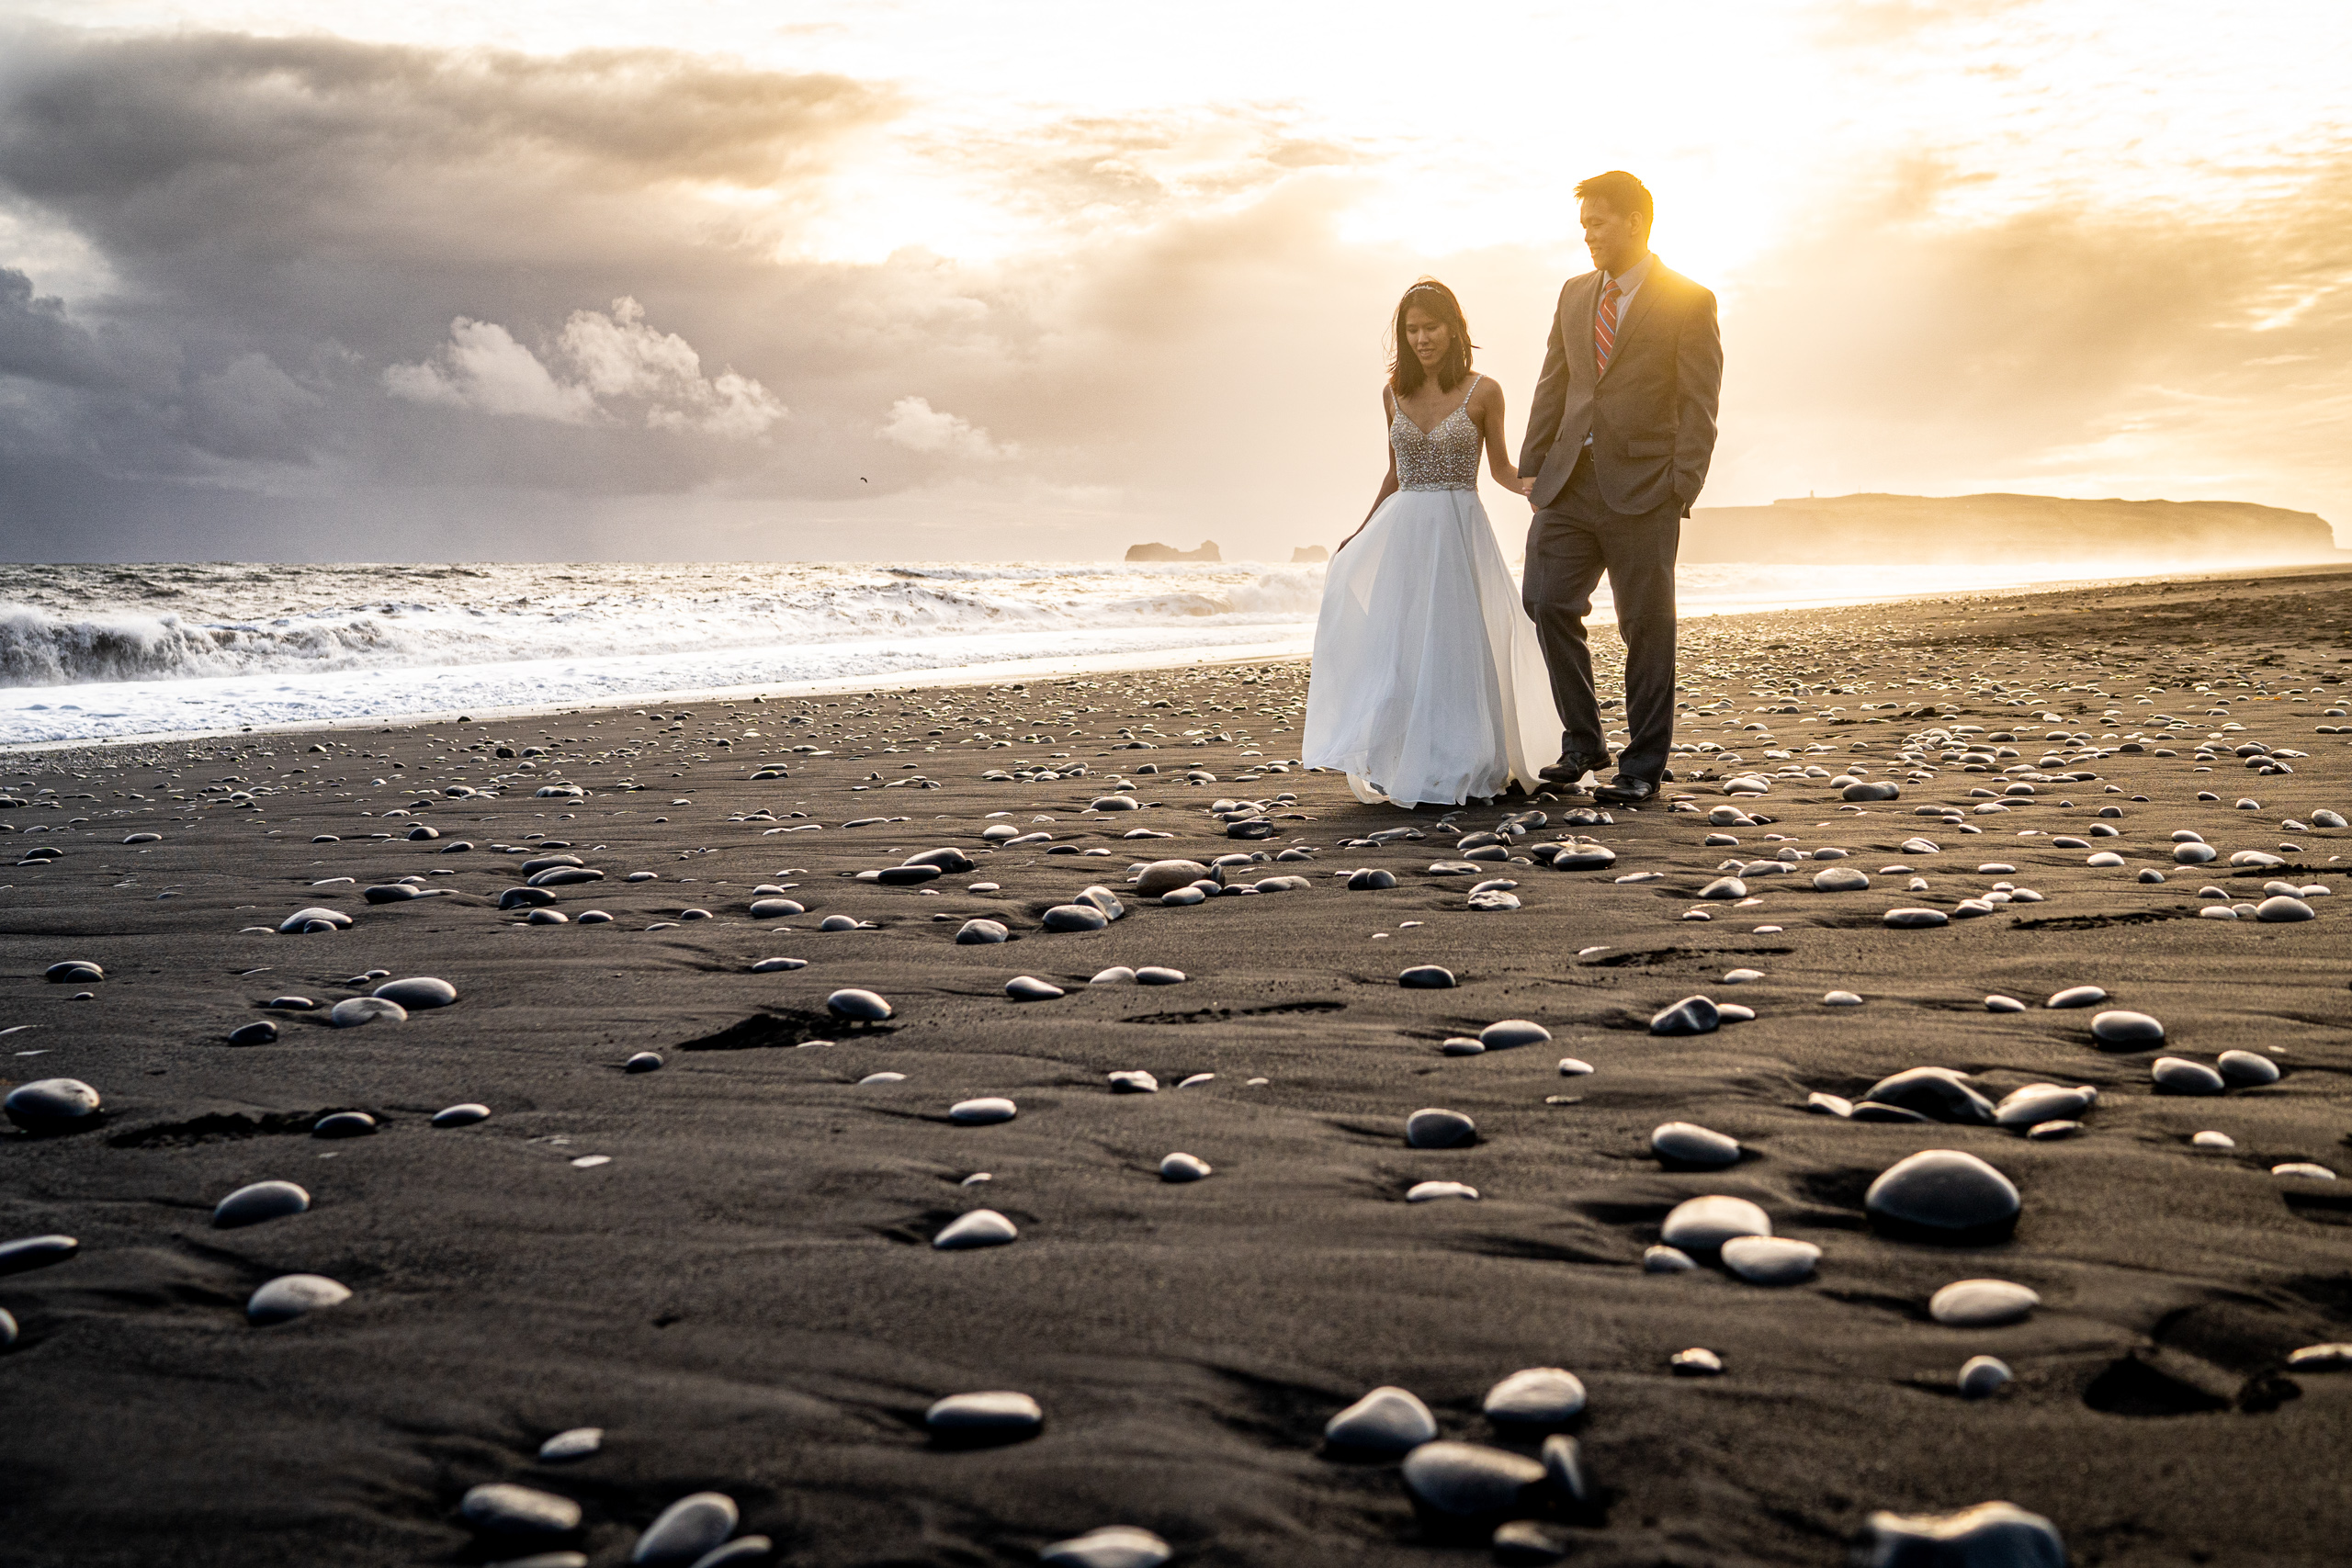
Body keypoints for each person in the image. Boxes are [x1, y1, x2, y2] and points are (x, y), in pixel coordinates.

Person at [1301, 279, 1561, 807]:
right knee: (1402, 647)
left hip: (1460, 528)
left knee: (1459, 644)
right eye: (1412, 330)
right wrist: (1360, 531)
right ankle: (1401, 757)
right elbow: (1395, 474)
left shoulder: (1484, 391)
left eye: (1431, 327)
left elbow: (1501, 470)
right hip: (1405, 532)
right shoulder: (1391, 393)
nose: (1422, 338)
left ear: (1454, 329)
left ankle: (1465, 758)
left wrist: (1543, 487)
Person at [1517, 170, 1723, 806]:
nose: (1588, 237)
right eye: (1583, 226)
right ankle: (1583, 741)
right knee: (1545, 601)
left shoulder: (1690, 300)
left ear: (1635, 221)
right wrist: (1532, 462)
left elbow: (1699, 402)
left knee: (1646, 627)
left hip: (1645, 488)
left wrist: (1680, 486)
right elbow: (1555, 379)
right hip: (1568, 484)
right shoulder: (1574, 293)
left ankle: (1643, 764)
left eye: (1598, 223)